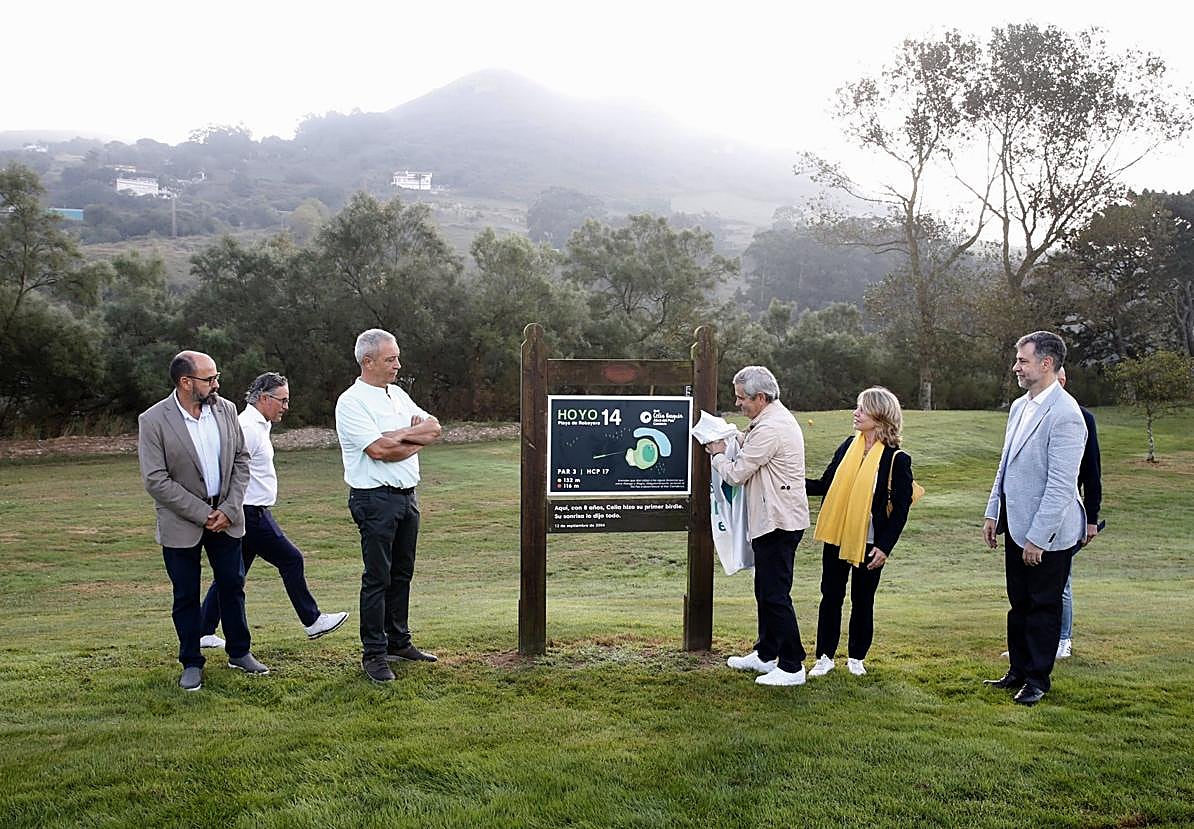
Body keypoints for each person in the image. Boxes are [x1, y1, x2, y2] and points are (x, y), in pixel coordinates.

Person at [137, 350, 269, 691]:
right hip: (182, 522)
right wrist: (202, 513)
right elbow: (155, 479)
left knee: (232, 585)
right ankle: (191, 662)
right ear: (185, 382)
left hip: (226, 516)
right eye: (209, 379)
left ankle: (240, 652)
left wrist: (229, 508)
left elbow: (241, 460)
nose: (216, 384)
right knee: (186, 594)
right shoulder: (153, 420)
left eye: (216, 377)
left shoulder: (226, 410)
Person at [198, 373, 349, 649]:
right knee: (291, 559)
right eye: (283, 400)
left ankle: (203, 630)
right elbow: (227, 469)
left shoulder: (259, 425)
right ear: (265, 398)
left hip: (251, 511)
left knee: (232, 574)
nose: (286, 407)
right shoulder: (247, 427)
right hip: (249, 512)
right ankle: (312, 620)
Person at [983, 331, 1087, 706]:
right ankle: (1018, 670)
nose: (1016, 366)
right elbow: (1005, 465)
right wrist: (993, 512)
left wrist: (1038, 537)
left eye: (1022, 360)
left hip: (1049, 534)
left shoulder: (1066, 415)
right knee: (1020, 603)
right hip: (1016, 525)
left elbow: (1061, 486)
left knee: (1043, 605)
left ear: (1046, 364)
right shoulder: (1019, 406)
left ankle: (1037, 680)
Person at [335, 329, 443, 683]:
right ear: (368, 362)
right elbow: (379, 451)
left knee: (402, 574)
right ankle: (374, 653)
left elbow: (434, 428)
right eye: (390, 359)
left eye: (397, 357)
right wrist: (410, 438)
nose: (398, 365)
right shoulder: (352, 402)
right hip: (374, 500)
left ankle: (399, 641)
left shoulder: (397, 394)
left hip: (407, 497)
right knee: (377, 577)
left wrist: (400, 437)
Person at [705, 366, 811, 687]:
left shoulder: (771, 428)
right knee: (764, 591)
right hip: (773, 521)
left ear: (761, 397)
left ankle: (792, 666)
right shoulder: (768, 421)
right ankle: (766, 654)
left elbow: (736, 473)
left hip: (779, 523)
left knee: (774, 594)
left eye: (742, 398)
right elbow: (751, 444)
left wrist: (718, 454)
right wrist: (734, 436)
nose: (738, 403)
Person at [805, 387, 913, 679]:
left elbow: (900, 510)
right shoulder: (847, 447)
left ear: (880, 415)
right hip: (838, 534)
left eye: (862, 409)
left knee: (863, 600)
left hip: (871, 542)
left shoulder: (896, 459)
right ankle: (824, 657)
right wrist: (788, 482)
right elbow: (825, 484)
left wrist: (885, 547)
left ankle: (856, 658)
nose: (856, 413)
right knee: (830, 595)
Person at [1055, 366, 1102, 659]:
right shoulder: (1027, 411)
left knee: (1061, 580)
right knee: (1031, 583)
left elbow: (1091, 472)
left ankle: (1063, 639)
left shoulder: (1081, 418)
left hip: (1067, 513)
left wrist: (1091, 519)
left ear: (1062, 380)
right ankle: (1029, 641)